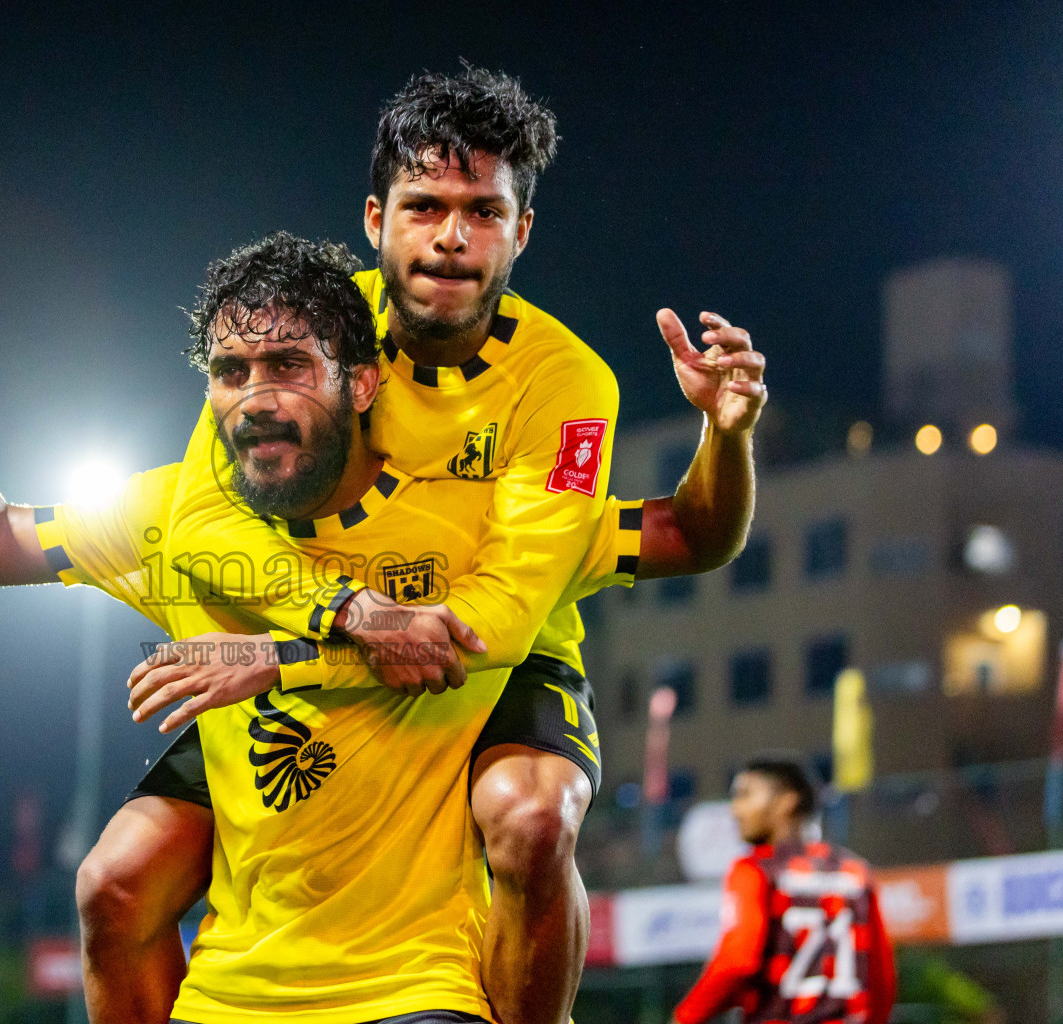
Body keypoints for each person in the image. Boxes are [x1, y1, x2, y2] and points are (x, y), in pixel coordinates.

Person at [81, 67, 767, 1024]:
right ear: (376, 218)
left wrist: (284, 659)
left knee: (530, 823)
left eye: (483, 211)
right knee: (113, 883)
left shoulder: (567, 384)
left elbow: (498, 618)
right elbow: (202, 519)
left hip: (485, 657)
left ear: (521, 231)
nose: (451, 236)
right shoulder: (302, 335)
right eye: (425, 206)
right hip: (321, 644)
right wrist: (341, 615)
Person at [0, 233, 651, 1022]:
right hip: (243, 980)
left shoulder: (467, 511)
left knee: (534, 815)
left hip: (419, 980)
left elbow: (674, 534)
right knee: (111, 884)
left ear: (359, 383)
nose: (257, 398)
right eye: (230, 371)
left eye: (288, 366)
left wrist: (725, 436)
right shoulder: (170, 514)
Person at [672, 754, 897, 1024]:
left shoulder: (755, 870)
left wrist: (685, 1017)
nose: (735, 810)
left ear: (786, 801)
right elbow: (882, 977)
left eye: (745, 795)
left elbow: (737, 961)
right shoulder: (855, 871)